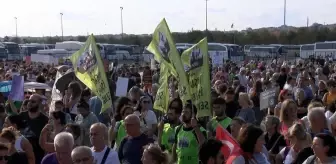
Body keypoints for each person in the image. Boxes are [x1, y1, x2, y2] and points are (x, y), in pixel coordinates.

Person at [19, 94, 48, 164]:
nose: (29, 103)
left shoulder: (45, 120)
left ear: (39, 104)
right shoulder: (21, 116)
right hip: (21, 155)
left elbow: (46, 140)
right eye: (29, 101)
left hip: (37, 156)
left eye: (33, 101)